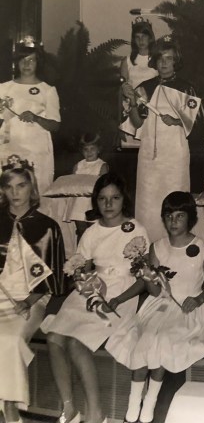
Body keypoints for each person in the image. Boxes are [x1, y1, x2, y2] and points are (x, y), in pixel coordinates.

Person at [106, 191, 204, 423]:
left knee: (163, 340)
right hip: (159, 304)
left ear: (190, 218)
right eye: (169, 216)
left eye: (180, 216)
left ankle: (150, 402)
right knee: (146, 339)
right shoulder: (157, 247)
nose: (174, 222)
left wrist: (198, 299)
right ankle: (133, 404)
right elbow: (153, 290)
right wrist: (145, 280)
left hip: (188, 307)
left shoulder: (202, 247)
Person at [41, 173, 149, 423]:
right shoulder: (91, 231)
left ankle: (96, 413)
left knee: (76, 344)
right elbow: (81, 267)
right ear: (95, 201)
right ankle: (69, 409)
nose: (108, 204)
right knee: (54, 338)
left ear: (124, 199)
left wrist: (119, 299)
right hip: (91, 290)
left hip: (120, 294)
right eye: (102, 198)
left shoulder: (135, 229)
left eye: (115, 198)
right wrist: (80, 278)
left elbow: (143, 279)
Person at [122, 36, 204, 242]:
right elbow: (136, 123)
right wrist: (132, 102)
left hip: (175, 154)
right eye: (160, 58)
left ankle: (178, 244)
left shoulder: (186, 88)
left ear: (176, 61)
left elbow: (199, 127)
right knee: (148, 200)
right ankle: (148, 245)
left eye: (169, 58)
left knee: (176, 197)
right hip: (149, 156)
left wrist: (178, 121)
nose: (164, 62)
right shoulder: (144, 87)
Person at [0, 158, 66, 423]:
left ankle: (10, 409)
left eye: (21, 186)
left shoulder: (47, 226)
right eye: (9, 187)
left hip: (32, 298)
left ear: (32, 188)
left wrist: (28, 301)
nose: (15, 193)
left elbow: (52, 279)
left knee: (10, 340)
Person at [0, 37, 61, 200]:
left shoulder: (48, 90)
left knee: (36, 192)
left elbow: (55, 125)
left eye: (31, 60)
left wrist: (36, 118)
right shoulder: (3, 88)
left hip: (36, 151)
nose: (26, 64)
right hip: (8, 148)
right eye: (23, 60)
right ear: (17, 63)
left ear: (38, 63)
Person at [119, 17, 158, 148]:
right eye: (137, 37)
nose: (141, 41)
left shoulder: (157, 60)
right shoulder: (127, 61)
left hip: (152, 109)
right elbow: (123, 87)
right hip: (133, 107)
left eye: (144, 36)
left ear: (150, 38)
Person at [63, 132, 109, 240]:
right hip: (79, 202)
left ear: (98, 149)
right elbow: (72, 184)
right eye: (86, 149)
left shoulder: (102, 165)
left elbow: (104, 186)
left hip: (93, 202)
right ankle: (81, 250)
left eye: (92, 149)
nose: (89, 152)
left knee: (94, 231)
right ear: (82, 151)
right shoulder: (78, 165)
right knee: (81, 231)